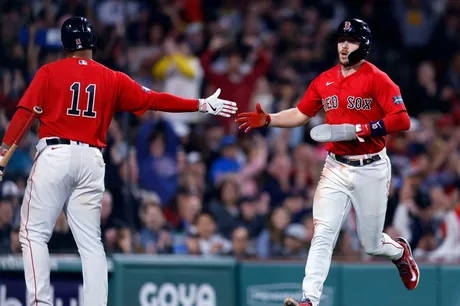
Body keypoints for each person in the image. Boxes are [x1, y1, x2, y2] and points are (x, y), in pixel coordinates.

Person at [0, 17, 237, 306]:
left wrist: (2, 159)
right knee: (90, 243)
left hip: (55, 153)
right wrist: (199, 104)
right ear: (93, 44)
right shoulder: (112, 77)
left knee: (33, 233)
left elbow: (24, 114)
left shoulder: (49, 71)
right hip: (92, 160)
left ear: (64, 45)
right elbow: (154, 99)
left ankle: (40, 303)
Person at [236, 19, 419, 306]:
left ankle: (399, 252)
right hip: (335, 166)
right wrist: (270, 119)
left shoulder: (377, 78)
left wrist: (364, 129)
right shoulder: (325, 79)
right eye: (341, 40)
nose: (344, 46)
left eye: (352, 40)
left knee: (370, 244)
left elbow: (402, 119)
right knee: (322, 233)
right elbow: (300, 113)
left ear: (365, 45)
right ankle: (310, 299)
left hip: (371, 166)